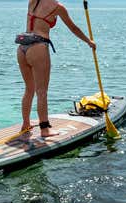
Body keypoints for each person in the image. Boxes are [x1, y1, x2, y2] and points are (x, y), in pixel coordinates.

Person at [16, 0, 96, 138]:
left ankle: (25, 124)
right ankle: (45, 129)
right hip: (38, 47)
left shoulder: (32, 1)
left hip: (22, 47)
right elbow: (74, 28)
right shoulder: (58, 7)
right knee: (42, 92)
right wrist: (88, 41)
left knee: (29, 89)